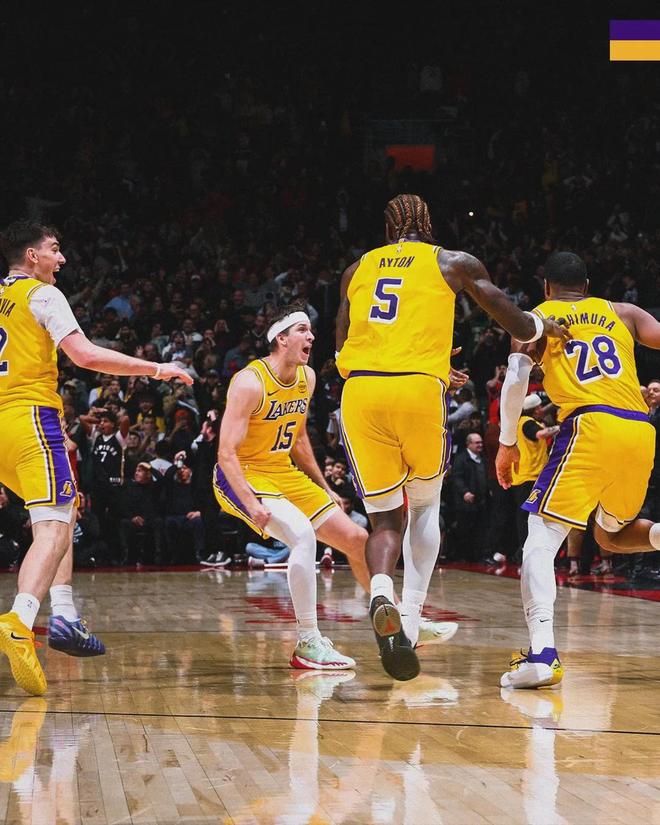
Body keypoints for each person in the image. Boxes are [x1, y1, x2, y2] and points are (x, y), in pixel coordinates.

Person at [335, 193, 571, 680]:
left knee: (384, 518)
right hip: (418, 391)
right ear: (426, 223)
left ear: (389, 229)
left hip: (359, 392)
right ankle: (410, 618)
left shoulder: (356, 269)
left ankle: (380, 590)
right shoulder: (451, 261)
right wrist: (543, 324)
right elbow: (513, 318)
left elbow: (343, 344)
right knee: (424, 504)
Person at [0, 220, 191, 696]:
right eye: (54, 249)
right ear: (32, 256)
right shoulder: (42, 294)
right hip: (30, 417)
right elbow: (84, 356)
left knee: (64, 512)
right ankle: (20, 620)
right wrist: (156, 369)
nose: (61, 258)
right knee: (53, 527)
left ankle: (64, 615)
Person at [496, 251, 660, 689]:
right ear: (586, 286)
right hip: (639, 428)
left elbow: (515, 380)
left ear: (546, 287)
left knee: (539, 540)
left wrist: (507, 443)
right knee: (610, 535)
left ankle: (542, 656)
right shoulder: (623, 312)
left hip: (589, 424)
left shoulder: (534, 319)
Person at [214, 302, 372, 670]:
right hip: (242, 475)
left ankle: (396, 619)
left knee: (356, 538)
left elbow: (299, 438)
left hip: (283, 473)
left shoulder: (307, 377)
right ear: (281, 339)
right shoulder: (250, 382)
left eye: (310, 330)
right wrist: (251, 502)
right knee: (302, 535)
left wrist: (324, 487)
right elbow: (225, 453)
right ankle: (308, 641)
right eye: (302, 330)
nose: (311, 336)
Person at [510, 394, 559, 555]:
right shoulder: (528, 423)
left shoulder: (520, 421)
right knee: (527, 516)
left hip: (523, 475)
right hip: (530, 475)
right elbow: (540, 434)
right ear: (535, 409)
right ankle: (526, 549)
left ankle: (525, 548)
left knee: (524, 515)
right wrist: (561, 427)